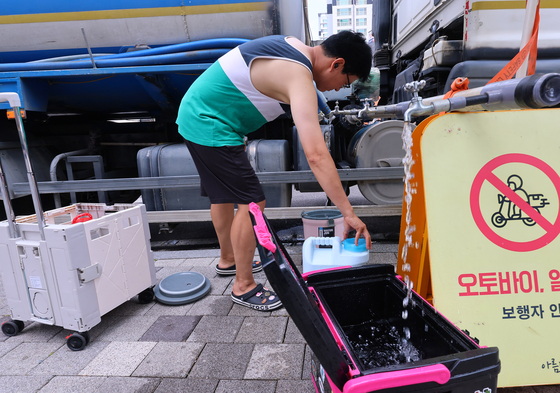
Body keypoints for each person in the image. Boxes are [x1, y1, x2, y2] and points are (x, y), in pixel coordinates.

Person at [176, 31, 373, 311]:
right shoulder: (299, 74)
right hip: (210, 123)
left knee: (222, 196)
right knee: (253, 202)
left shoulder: (290, 44)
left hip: (197, 115)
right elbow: (316, 154)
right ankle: (243, 286)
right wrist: (348, 213)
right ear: (337, 64)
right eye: (345, 82)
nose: (338, 89)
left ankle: (228, 259)